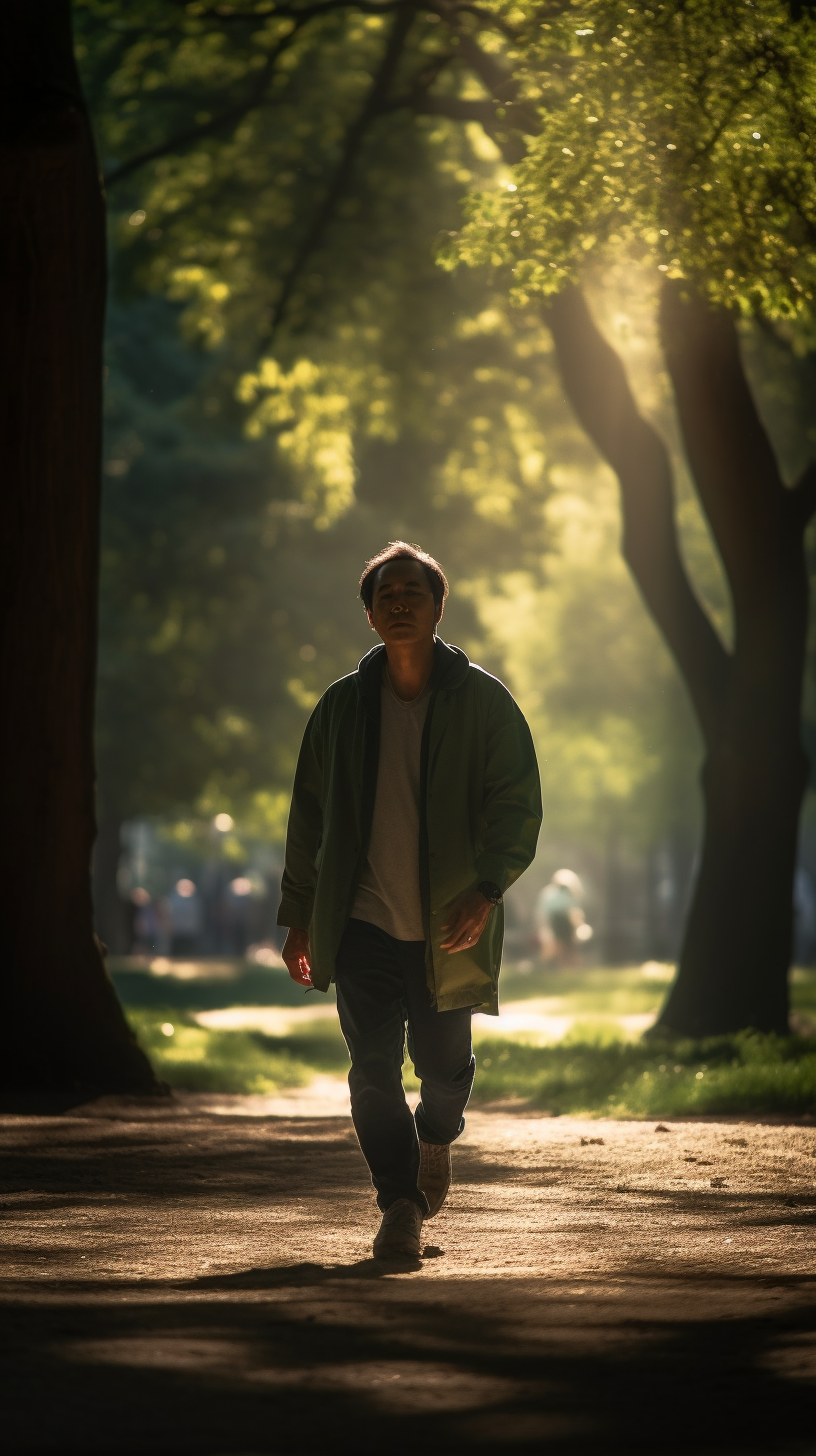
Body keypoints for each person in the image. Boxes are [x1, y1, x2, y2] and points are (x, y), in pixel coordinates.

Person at [279, 542, 542, 1259]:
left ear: (437, 607)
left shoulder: (483, 702)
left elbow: (515, 803)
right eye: (386, 594)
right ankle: (400, 1201)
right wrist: (299, 916)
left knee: (444, 1069)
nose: (399, 603)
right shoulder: (339, 708)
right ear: (369, 614)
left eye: (412, 593)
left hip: (449, 923)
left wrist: (487, 888)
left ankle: (438, 1132)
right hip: (359, 920)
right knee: (369, 1069)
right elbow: (308, 819)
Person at [535, 868, 591, 966]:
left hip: (565, 924)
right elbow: (543, 913)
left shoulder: (569, 895)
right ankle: (561, 965)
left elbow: (575, 913)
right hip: (556, 924)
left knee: (567, 946)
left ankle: (568, 966)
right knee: (561, 947)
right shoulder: (549, 894)